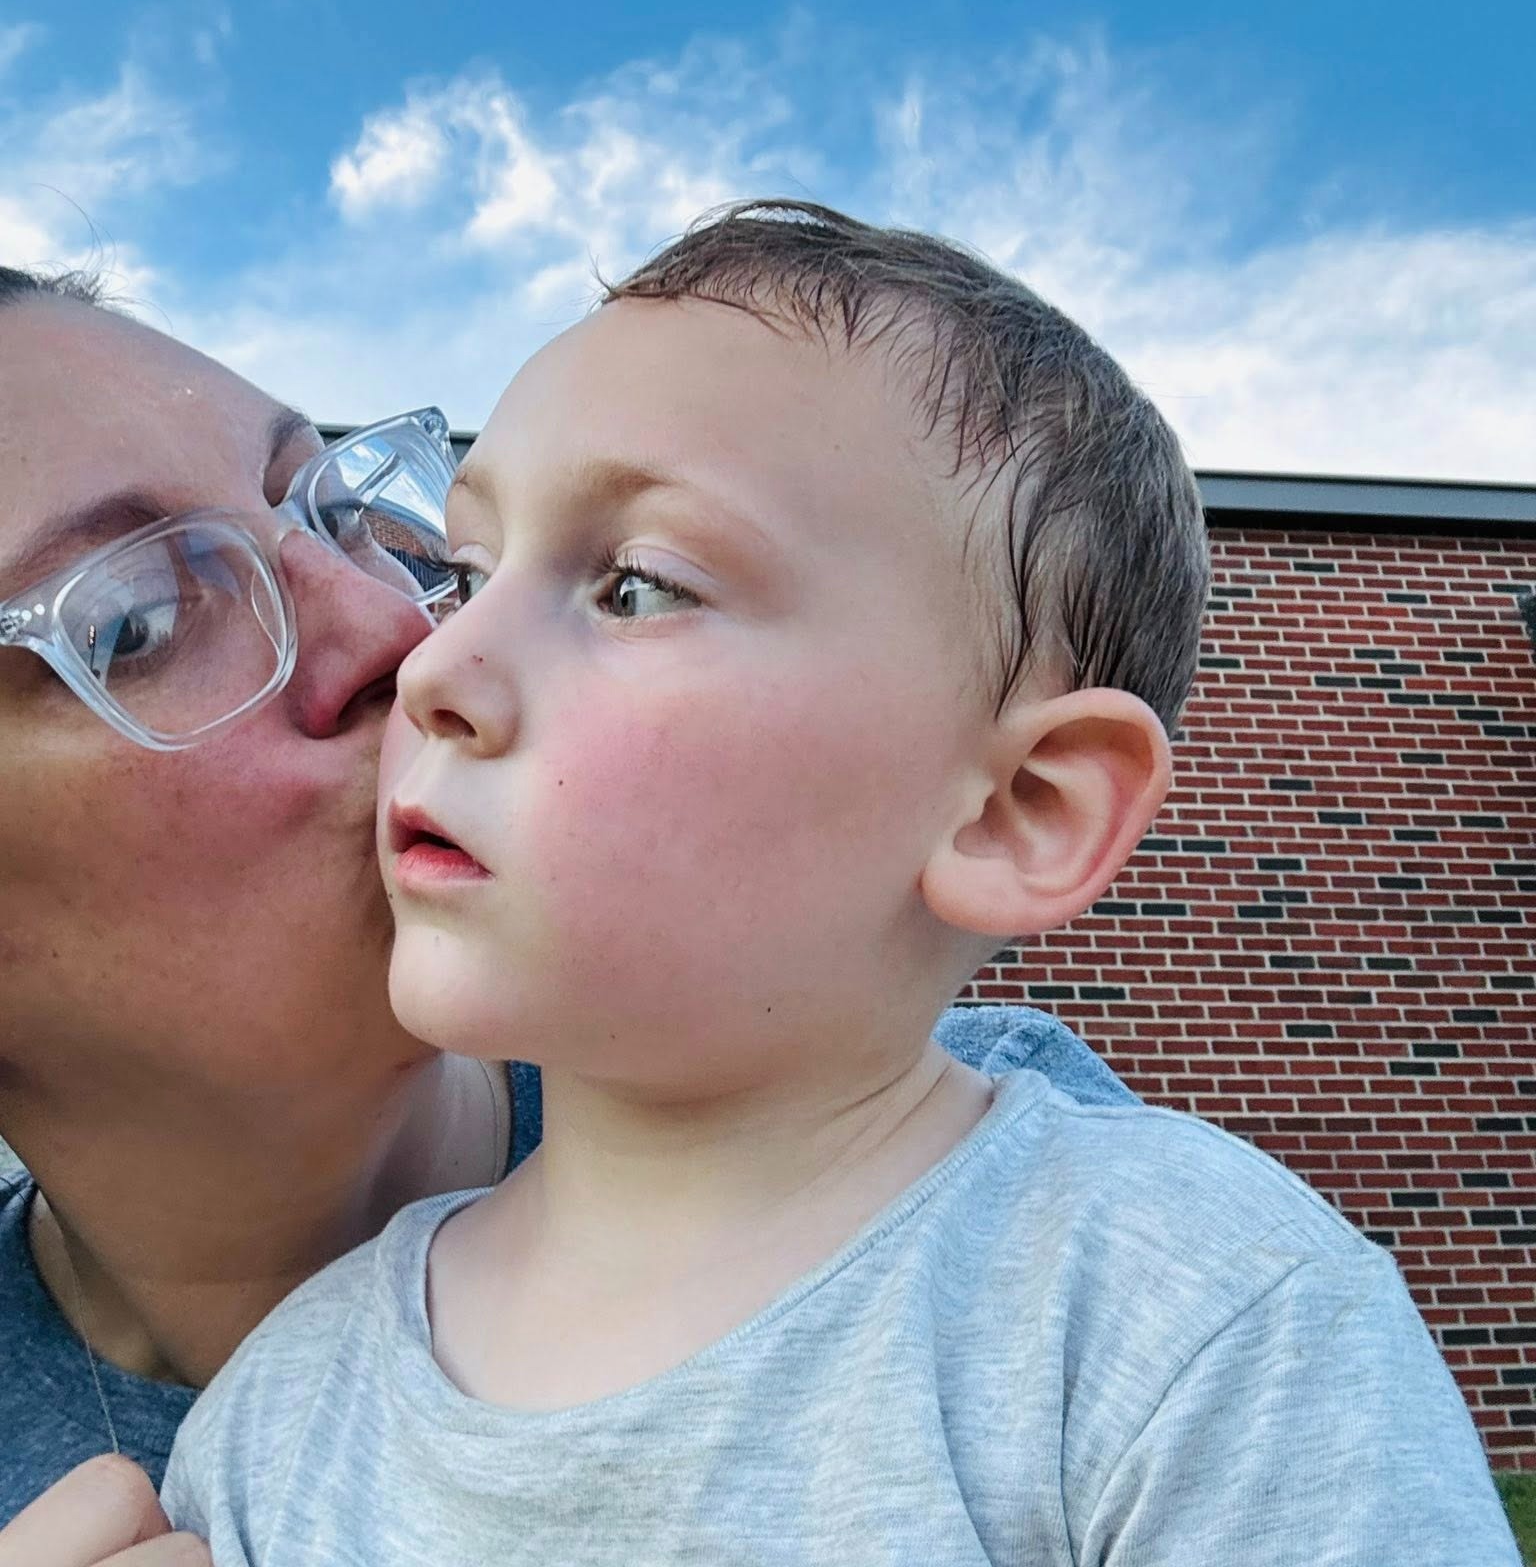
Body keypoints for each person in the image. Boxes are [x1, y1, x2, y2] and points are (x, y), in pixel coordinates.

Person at [161, 202, 1516, 1565]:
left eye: (636, 588)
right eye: (463, 573)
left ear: (1017, 811)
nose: (431, 664)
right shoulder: (279, 1421)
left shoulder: (1195, 1314)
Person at [0, 260, 1124, 1549]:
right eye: (138, 621)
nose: (406, 631)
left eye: (338, 515)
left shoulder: (1003, 1191)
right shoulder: (269, 1427)